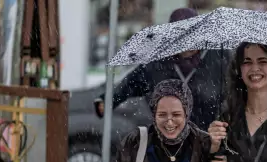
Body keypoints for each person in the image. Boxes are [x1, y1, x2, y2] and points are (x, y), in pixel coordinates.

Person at [94, 7, 231, 131]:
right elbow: (130, 84)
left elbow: (237, 98)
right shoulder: (159, 63)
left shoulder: (219, 58)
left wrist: (223, 150)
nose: (189, 42)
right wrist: (107, 100)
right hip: (169, 143)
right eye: (183, 36)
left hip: (209, 142)